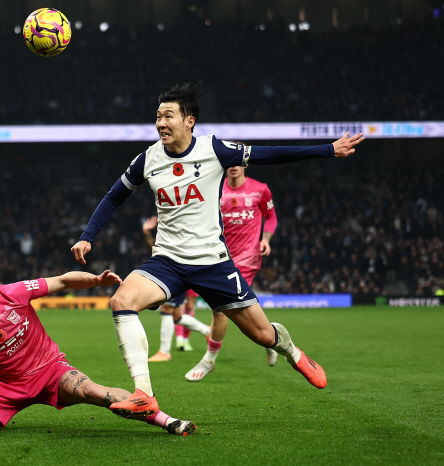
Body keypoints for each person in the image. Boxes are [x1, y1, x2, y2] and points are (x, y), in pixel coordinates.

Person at [70, 82, 364, 416]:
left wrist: (328, 149)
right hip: (166, 261)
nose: (160, 123)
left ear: (189, 120)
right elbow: (114, 196)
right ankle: (144, 393)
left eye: (168, 116)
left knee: (263, 336)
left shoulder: (215, 150)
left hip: (212, 262)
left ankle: (292, 351)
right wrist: (87, 235)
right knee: (122, 300)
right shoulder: (147, 159)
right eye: (157, 117)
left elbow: (272, 155)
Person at [0, 270, 196, 437]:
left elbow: (60, 281)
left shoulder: (10, 294)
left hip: (51, 372)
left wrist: (97, 282)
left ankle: (167, 420)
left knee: (94, 392)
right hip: (5, 387)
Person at [186, 163, 279, 382]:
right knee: (235, 308)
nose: (234, 167)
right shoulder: (215, 189)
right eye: (230, 163)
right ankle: (272, 336)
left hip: (248, 257)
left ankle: (208, 360)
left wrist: (265, 239)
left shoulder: (260, 189)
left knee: (222, 309)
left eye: (238, 163)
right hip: (219, 256)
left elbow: (271, 217)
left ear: (245, 165)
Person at [142, 216, 211, 362]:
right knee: (176, 316)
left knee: (166, 310)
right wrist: (147, 232)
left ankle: (164, 352)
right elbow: (157, 250)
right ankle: (207, 331)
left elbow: (158, 250)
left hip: (176, 274)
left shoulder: (181, 234)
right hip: (178, 273)